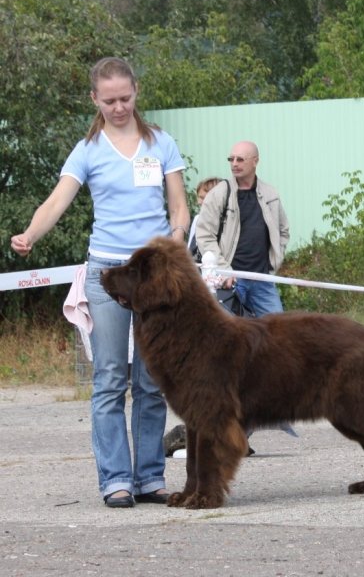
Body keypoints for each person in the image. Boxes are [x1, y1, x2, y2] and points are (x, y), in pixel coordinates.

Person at [11, 57, 190, 509]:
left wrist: (176, 240)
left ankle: (150, 477)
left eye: (125, 98)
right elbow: (57, 202)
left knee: (151, 382)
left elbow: (179, 208)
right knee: (111, 379)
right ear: (94, 99)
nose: (118, 107)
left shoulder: (161, 143)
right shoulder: (87, 150)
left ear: (137, 92)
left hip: (153, 277)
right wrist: (30, 234)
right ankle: (115, 480)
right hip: (108, 275)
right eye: (108, 100)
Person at [195, 140, 297, 446]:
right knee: (226, 349)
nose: (235, 163)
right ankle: (223, 413)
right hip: (229, 279)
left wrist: (273, 261)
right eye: (231, 158)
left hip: (261, 280)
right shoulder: (220, 194)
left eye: (240, 159)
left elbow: (283, 231)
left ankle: (266, 407)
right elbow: (204, 233)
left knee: (281, 340)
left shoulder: (271, 194)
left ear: (255, 161)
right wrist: (222, 269)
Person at [187, 177, 221, 260]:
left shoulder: (227, 223)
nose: (199, 202)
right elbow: (189, 250)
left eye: (203, 198)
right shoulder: (197, 219)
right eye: (199, 197)